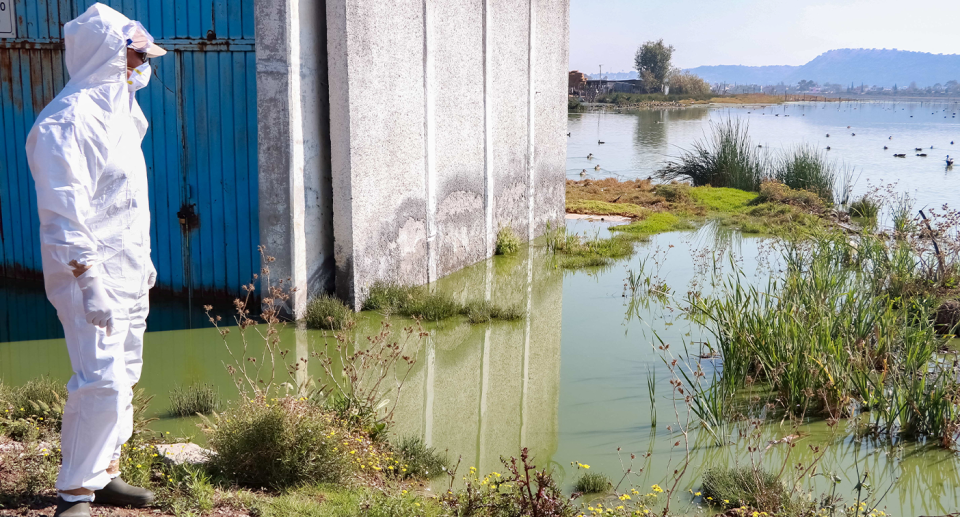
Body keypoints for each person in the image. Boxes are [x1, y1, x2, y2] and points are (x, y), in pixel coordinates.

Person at [25, 4, 166, 516]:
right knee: (99, 380)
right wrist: (88, 280)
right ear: (106, 54)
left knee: (124, 374)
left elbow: (125, 201)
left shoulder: (121, 111)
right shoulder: (68, 122)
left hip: (126, 268)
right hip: (89, 275)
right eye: (132, 56)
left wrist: (143, 261)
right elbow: (63, 213)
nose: (139, 66)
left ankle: (105, 472)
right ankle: (73, 493)